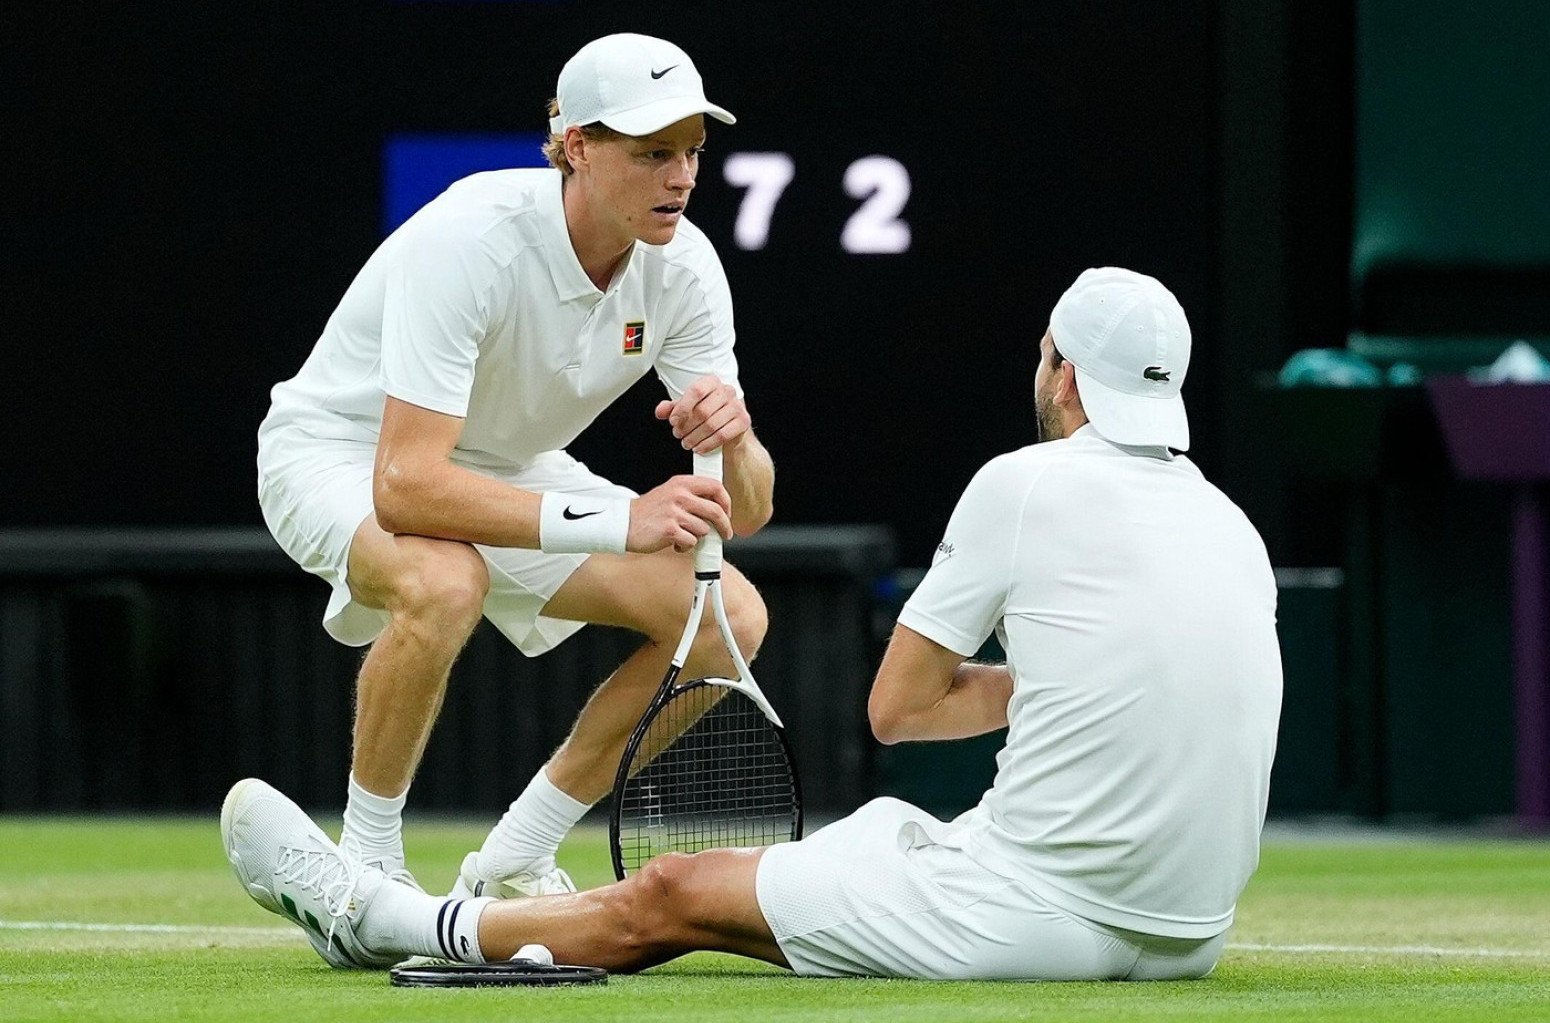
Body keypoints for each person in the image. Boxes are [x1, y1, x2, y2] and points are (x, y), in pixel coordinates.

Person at [227, 267, 1283, 980]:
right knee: (868, 836)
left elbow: (900, 711)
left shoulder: (1022, 483)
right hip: (1188, 934)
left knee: (672, 892)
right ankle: (497, 873)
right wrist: (1071, 683)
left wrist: (1038, 687)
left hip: (1030, 913)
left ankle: (383, 919)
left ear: (1062, 370)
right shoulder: (1230, 523)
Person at [253, 32, 774, 904]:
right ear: (577, 147)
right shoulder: (471, 237)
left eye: (691, 152)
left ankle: (513, 858)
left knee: (729, 619)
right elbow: (405, 486)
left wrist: (739, 436)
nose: (682, 177)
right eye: (653, 153)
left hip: (505, 464)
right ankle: (365, 869)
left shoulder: (685, 268)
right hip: (342, 451)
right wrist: (623, 520)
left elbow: (746, 511)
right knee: (444, 578)